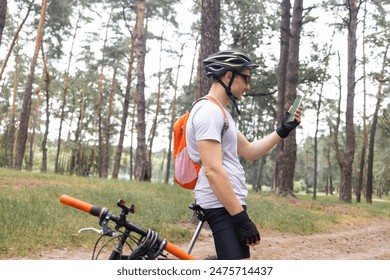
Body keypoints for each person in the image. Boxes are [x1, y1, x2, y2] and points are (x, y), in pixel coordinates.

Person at [186, 49, 302, 260]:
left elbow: (249, 151)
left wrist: (283, 129)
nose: (248, 86)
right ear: (228, 76)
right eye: (246, 78)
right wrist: (241, 218)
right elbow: (212, 170)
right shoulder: (208, 111)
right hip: (219, 203)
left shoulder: (221, 113)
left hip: (227, 202)